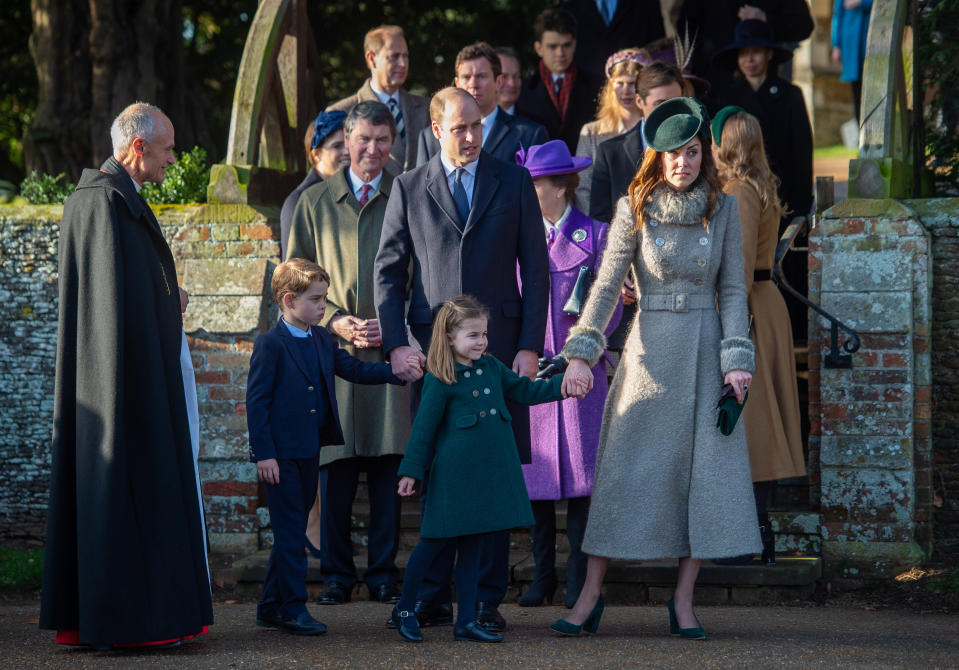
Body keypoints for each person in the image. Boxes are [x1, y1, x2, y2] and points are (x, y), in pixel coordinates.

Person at [553, 97, 760, 639]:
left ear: (703, 155)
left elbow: (734, 290)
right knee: (624, 473)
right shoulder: (633, 207)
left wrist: (737, 362)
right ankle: (589, 597)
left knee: (703, 479)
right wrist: (582, 350)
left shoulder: (726, 209)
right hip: (647, 355)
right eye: (671, 154)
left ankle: (684, 602)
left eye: (691, 153)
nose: (682, 164)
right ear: (656, 156)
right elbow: (603, 286)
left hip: (706, 349)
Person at [375, 87, 548, 632]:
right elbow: (388, 272)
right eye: (459, 128)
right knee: (440, 469)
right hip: (434, 357)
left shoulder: (514, 180)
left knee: (493, 475)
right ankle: (430, 598)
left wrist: (529, 346)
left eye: (477, 125)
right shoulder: (407, 186)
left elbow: (537, 271)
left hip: (498, 348)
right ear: (435, 129)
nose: (471, 136)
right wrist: (396, 342)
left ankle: (485, 603)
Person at [40, 102, 213, 649]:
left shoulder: (117, 200)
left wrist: (168, 294)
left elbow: (129, 287)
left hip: (129, 370)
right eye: (166, 149)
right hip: (119, 383)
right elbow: (108, 306)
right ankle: (132, 621)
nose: (171, 159)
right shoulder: (103, 204)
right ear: (138, 146)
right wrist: (165, 304)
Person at [391, 296, 578, 643]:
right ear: (449, 336)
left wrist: (563, 387)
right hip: (453, 479)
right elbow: (423, 431)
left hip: (487, 476)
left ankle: (466, 621)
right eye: (473, 335)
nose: (481, 342)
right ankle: (404, 609)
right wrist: (411, 471)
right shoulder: (440, 378)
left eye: (484, 334)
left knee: (475, 551)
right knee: (431, 545)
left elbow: (524, 391)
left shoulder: (492, 367)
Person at [287, 101, 411, 606]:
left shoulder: (406, 194)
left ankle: (382, 573)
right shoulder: (314, 202)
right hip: (331, 354)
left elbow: (420, 271)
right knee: (334, 474)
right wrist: (335, 317)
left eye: (383, 141)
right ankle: (336, 574)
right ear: (347, 139)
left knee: (386, 470)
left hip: (386, 352)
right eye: (364, 140)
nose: (373, 150)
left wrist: (395, 321)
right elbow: (292, 274)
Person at [247, 258, 407, 635]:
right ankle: (291, 608)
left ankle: (269, 606)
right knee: (290, 536)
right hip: (280, 456)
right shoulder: (270, 345)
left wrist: (394, 371)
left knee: (293, 528)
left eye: (324, 299)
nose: (323, 307)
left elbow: (353, 369)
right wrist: (264, 453)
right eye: (316, 300)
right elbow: (256, 403)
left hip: (310, 450)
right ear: (289, 300)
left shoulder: (321, 338)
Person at [513, 140, 622, 609]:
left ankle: (579, 580)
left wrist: (584, 348)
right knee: (536, 482)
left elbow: (612, 301)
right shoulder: (516, 237)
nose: (528, 189)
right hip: (534, 369)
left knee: (582, 484)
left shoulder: (597, 235)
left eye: (534, 183)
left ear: (560, 187)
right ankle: (542, 577)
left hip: (581, 372)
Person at [711, 106, 805, 565]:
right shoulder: (751, 185)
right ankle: (752, 534)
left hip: (750, 309)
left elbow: (739, 267)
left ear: (723, 144)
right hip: (762, 305)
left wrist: (722, 319)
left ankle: (753, 535)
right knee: (753, 419)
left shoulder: (738, 192)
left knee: (755, 423)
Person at [713, 19, 813, 340]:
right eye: (744, 53)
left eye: (756, 51)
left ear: (769, 54)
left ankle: (792, 337)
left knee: (784, 273)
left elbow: (801, 156)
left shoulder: (790, 94)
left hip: (778, 201)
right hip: (741, 192)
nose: (750, 59)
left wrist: (797, 209)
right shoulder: (725, 98)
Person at [589, 61, 686, 353]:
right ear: (640, 102)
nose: (669, 112)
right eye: (659, 103)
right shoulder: (611, 152)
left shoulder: (698, 154)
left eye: (675, 103)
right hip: (630, 297)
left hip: (684, 296)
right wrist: (617, 274)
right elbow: (599, 221)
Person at [416, 42, 547, 166]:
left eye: (481, 76)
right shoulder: (430, 137)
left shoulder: (530, 135)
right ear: (457, 83)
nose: (473, 84)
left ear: (499, 82)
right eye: (466, 77)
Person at [328, 25, 429, 174]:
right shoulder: (340, 112)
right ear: (372, 59)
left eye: (405, 56)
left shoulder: (427, 108)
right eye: (394, 56)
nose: (402, 63)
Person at [680, 0, 814, 100]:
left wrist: (766, 19)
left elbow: (804, 26)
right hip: (715, 81)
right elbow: (685, 26)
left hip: (765, 86)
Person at [515, 8, 602, 153]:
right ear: (539, 48)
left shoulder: (597, 85)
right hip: (540, 171)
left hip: (585, 168)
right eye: (552, 46)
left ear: (574, 44)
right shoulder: (523, 90)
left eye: (566, 45)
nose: (560, 53)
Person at [574, 49, 645, 212]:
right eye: (620, 83)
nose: (626, 90)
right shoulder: (592, 132)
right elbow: (582, 186)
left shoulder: (651, 129)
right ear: (610, 86)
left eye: (632, 83)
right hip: (604, 224)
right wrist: (597, 226)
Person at [280, 111, 349, 260]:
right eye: (337, 146)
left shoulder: (352, 192)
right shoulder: (298, 201)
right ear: (316, 155)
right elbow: (293, 267)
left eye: (349, 143)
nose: (347, 151)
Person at [559, 0, 665, 80]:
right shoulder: (570, 6)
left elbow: (659, 49)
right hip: (585, 94)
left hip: (635, 90)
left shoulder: (647, 3)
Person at [831, 0, 872, 124]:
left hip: (870, 39)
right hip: (851, 43)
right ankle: (860, 130)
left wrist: (861, 2)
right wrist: (836, 45)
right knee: (857, 90)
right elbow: (838, 15)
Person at [495, 46, 523, 115]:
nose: (512, 83)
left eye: (516, 76)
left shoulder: (534, 123)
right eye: (504, 77)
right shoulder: (471, 120)